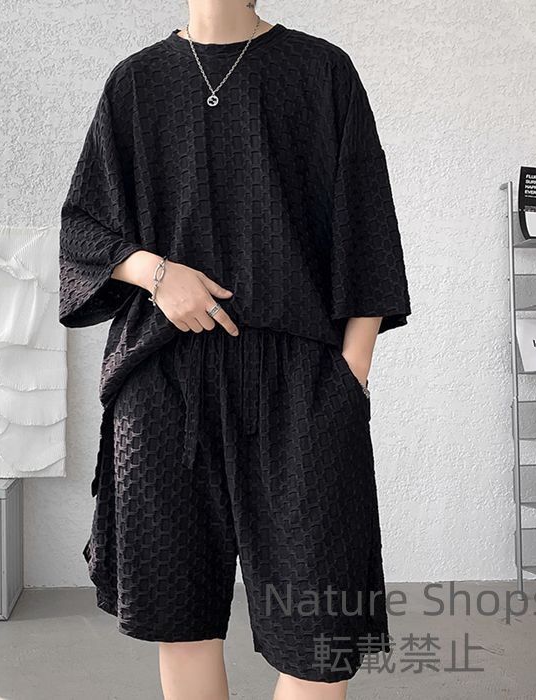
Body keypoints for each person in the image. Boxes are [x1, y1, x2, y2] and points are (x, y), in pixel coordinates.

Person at [58, 2, 411, 698]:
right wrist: (158, 273)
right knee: (181, 619)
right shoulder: (135, 82)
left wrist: (352, 373)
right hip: (164, 379)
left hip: (301, 379)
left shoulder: (321, 70)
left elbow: (366, 224)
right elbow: (82, 229)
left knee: (319, 631)